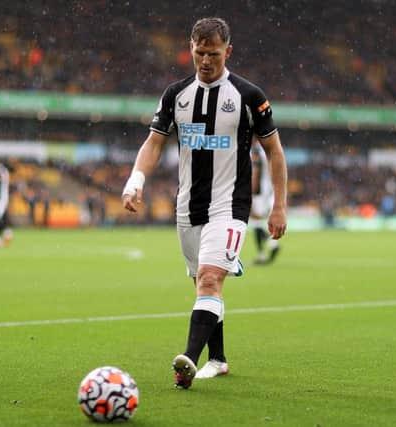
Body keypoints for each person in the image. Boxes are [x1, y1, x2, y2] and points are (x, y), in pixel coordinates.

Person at [122, 17, 287, 389]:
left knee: (211, 279)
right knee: (203, 284)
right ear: (190, 49)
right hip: (188, 207)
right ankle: (218, 358)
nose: (206, 61)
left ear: (228, 51)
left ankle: (188, 363)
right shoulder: (176, 95)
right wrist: (136, 181)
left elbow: (274, 152)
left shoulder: (248, 96)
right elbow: (154, 142)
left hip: (230, 205)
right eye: (199, 53)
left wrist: (278, 206)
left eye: (213, 53)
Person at [250, 139, 280, 264]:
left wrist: (251, 193)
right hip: (269, 191)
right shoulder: (266, 149)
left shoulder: (256, 150)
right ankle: (269, 247)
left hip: (259, 193)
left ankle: (269, 246)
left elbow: (256, 172)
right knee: (258, 222)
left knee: (255, 222)